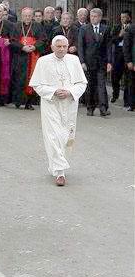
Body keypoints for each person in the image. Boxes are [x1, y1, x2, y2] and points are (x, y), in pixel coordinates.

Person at [29, 36, 87, 187]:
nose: (61, 49)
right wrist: (54, 91)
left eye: (64, 46)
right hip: (51, 103)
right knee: (53, 136)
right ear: (52, 47)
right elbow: (37, 85)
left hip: (69, 103)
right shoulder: (43, 61)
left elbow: (82, 83)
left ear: (68, 47)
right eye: (58, 46)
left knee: (67, 136)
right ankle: (60, 172)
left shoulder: (74, 60)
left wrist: (69, 92)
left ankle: (60, 164)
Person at [10, 7, 46, 110]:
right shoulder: (16, 26)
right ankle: (18, 101)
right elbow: (12, 41)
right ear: (22, 16)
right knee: (19, 78)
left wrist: (35, 47)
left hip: (32, 55)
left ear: (32, 16)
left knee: (31, 79)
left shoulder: (38, 26)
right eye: (25, 15)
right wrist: (22, 47)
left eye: (29, 16)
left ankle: (29, 103)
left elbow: (43, 40)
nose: (27, 17)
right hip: (19, 56)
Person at [78, 8, 112, 117]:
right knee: (90, 86)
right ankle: (90, 108)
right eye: (92, 16)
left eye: (96, 16)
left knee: (102, 85)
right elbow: (80, 47)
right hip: (88, 63)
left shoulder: (105, 29)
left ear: (100, 17)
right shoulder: (84, 29)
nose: (93, 18)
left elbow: (108, 47)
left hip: (101, 62)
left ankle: (103, 108)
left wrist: (109, 62)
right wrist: (82, 61)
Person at [110, 10, 132, 106]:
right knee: (115, 77)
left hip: (128, 56)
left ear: (129, 18)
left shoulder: (132, 27)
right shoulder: (116, 27)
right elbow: (111, 40)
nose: (122, 19)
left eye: (124, 17)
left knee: (128, 79)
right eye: (121, 17)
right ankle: (115, 95)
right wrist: (120, 35)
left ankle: (126, 100)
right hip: (118, 55)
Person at [123, 22, 135, 112]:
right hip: (132, 62)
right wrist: (129, 61)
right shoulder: (131, 29)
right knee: (132, 84)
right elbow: (126, 46)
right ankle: (132, 104)